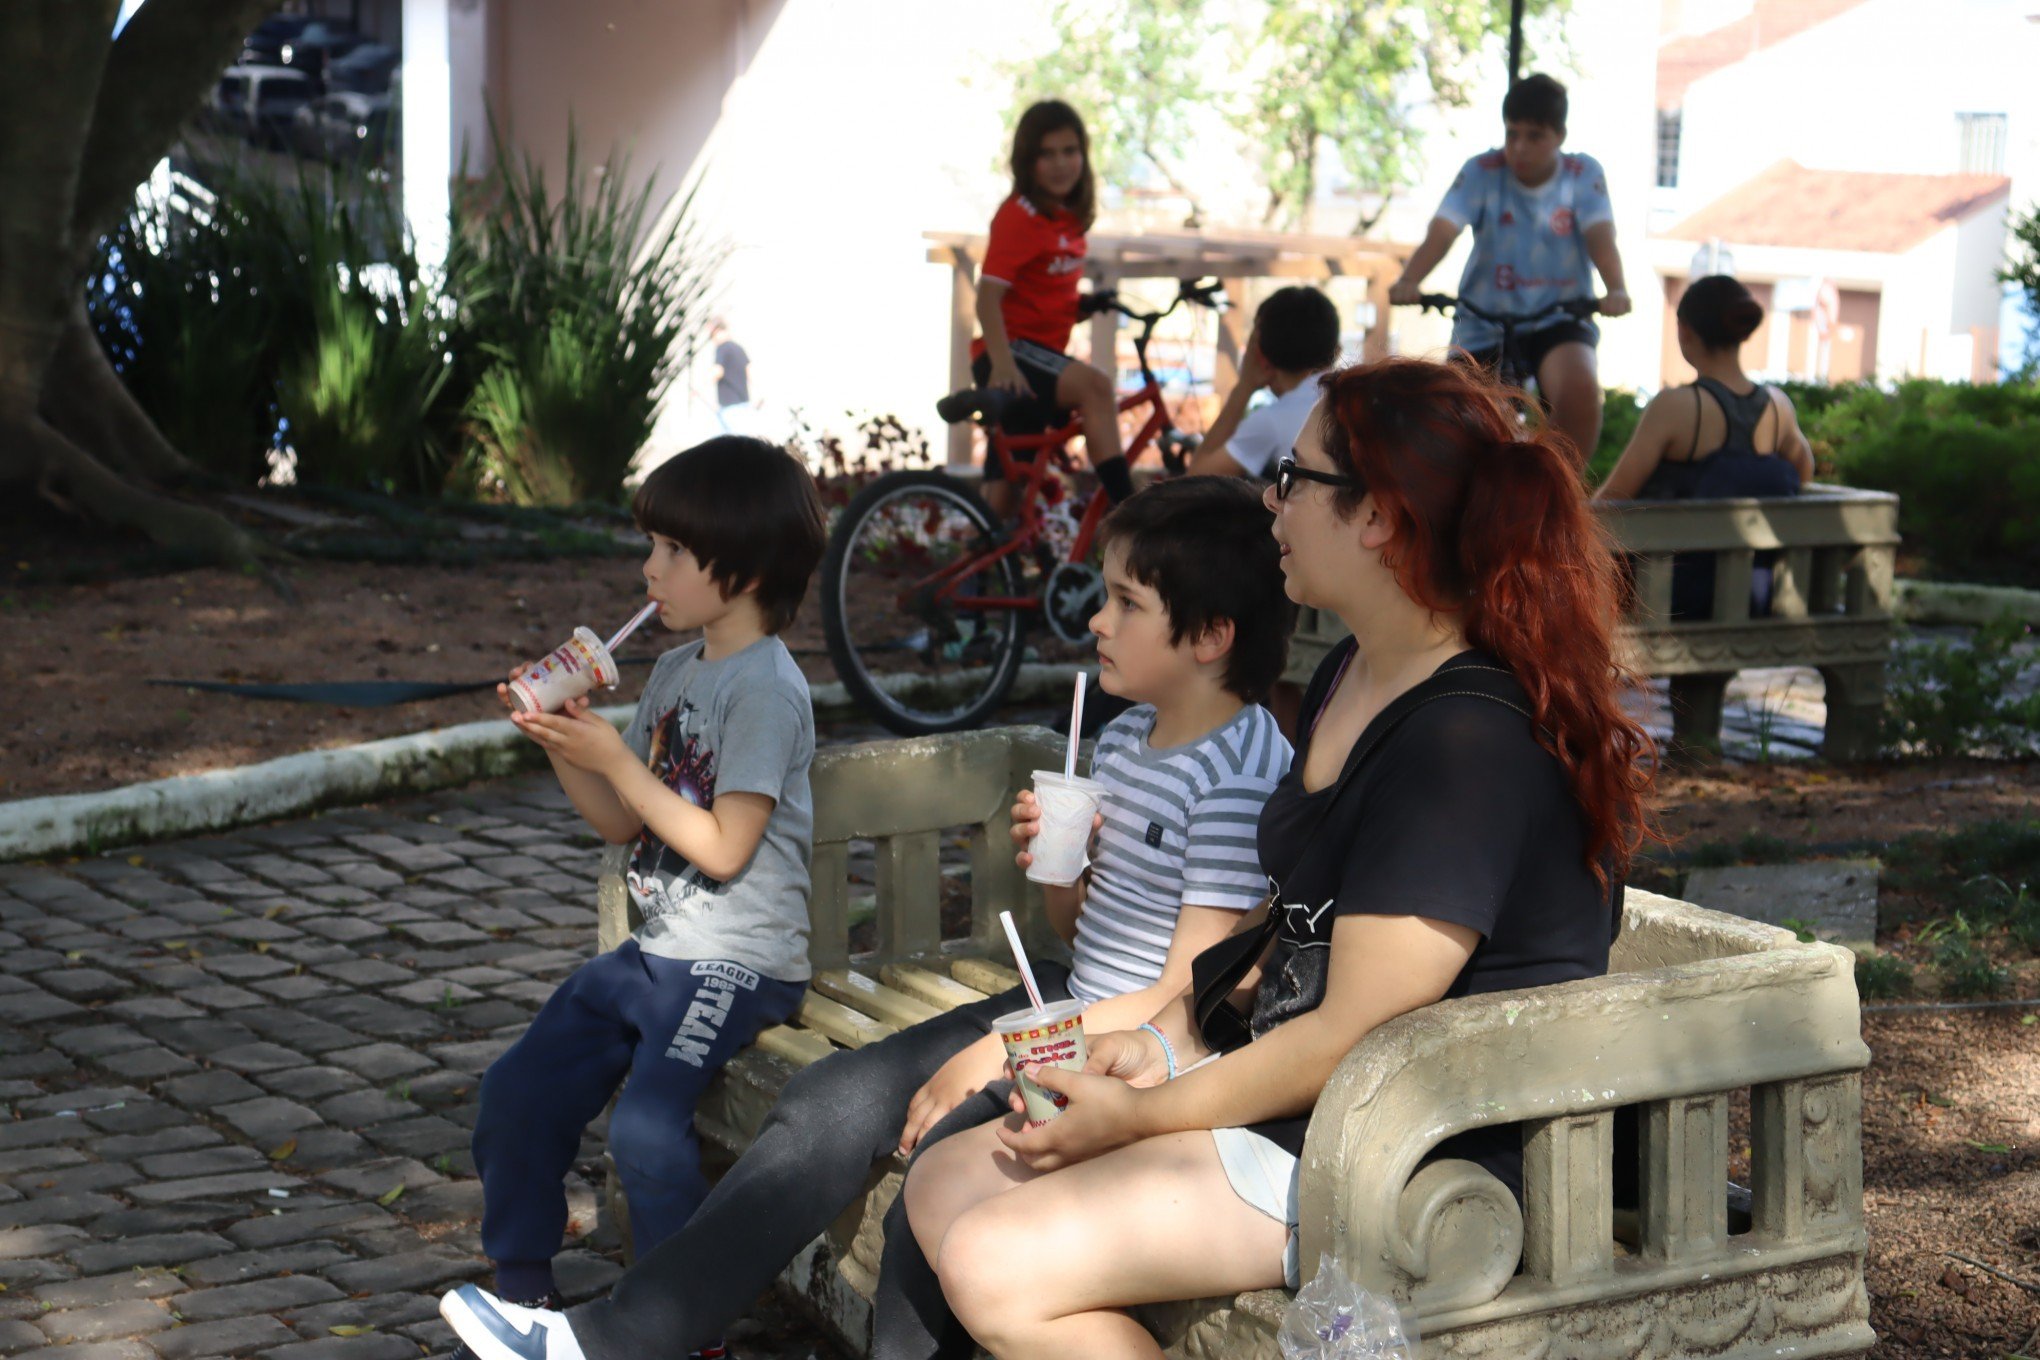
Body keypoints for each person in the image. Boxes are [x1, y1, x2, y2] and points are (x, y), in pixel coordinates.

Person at [896, 357, 1658, 1360]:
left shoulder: (1466, 744)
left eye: (1296, 479)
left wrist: (1142, 1113)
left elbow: (1355, 1030)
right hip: (1301, 1101)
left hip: (1412, 1149)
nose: (1272, 498)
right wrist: (1164, 1037)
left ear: (1379, 517)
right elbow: (1292, 926)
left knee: (995, 1256)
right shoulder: (1353, 669)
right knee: (946, 1184)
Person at [439, 476, 1299, 1360]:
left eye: (1126, 602)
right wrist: (1063, 863)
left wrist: (987, 1054)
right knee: (826, 1103)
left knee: (929, 1194)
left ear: (1209, 637)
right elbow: (1082, 932)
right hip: (1063, 1005)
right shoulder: (1122, 737)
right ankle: (624, 1336)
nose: (1095, 622)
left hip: (1122, 1057)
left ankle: (616, 1340)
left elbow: (1181, 1004)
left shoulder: (1236, 775)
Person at [454, 435, 827, 1360]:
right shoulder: (674, 671)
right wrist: (559, 738)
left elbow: (725, 846)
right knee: (517, 1091)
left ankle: (679, 1330)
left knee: (651, 1131)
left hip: (736, 963)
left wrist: (618, 756)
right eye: (651, 545)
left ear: (738, 572)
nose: (646, 567)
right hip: (659, 953)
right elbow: (626, 825)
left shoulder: (767, 691)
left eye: (668, 551)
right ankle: (527, 1296)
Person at [1388, 73, 1631, 461]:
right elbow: (1443, 230)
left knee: (1579, 390)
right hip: (1484, 319)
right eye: (1511, 133)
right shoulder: (1482, 171)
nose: (1519, 147)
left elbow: (1601, 237)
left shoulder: (1582, 175)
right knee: (1454, 415)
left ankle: (1566, 496)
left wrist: (1616, 287)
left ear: (1560, 136)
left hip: (1560, 317)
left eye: (1535, 136)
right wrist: (1409, 280)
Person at [1596, 275, 1814, 618]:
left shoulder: (1675, 407)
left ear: (1684, 330)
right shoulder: (1779, 407)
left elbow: (1611, 501)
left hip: (1674, 601)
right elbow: (1803, 472)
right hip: (1756, 600)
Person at [965, 99, 1134, 518]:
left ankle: (979, 578)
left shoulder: (1067, 217)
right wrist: (1004, 366)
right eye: (1046, 154)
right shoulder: (1019, 216)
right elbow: (988, 297)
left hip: (1037, 358)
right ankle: (1131, 514)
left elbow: (1038, 292)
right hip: (1010, 357)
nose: (1061, 164)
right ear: (1028, 161)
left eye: (1069, 151)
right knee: (1096, 387)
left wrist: (1082, 305)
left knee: (1005, 495)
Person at [1186, 285, 1342, 480]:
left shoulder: (1274, 419)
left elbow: (1196, 479)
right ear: (1337, 349)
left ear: (1259, 353)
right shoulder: (1353, 395)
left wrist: (1244, 386)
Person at [709, 319, 752, 435]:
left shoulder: (722, 348)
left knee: (726, 446)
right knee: (742, 442)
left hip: (729, 406)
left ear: (718, 332)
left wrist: (704, 387)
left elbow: (718, 371)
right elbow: (749, 372)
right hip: (744, 403)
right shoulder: (739, 348)